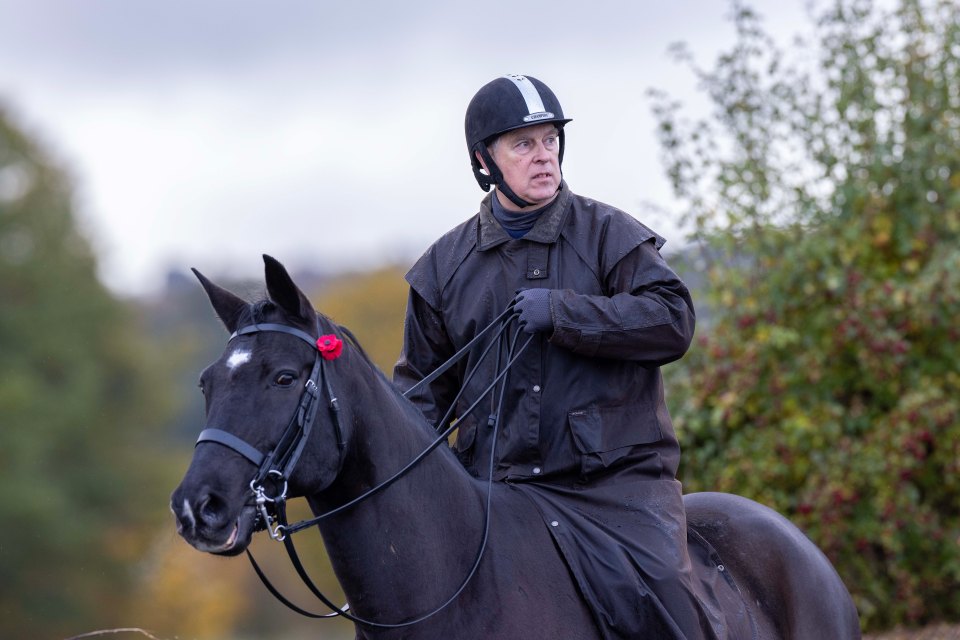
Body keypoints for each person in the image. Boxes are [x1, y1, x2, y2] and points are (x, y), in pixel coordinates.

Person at [394, 74, 717, 639]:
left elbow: (674, 321)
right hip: (495, 490)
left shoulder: (611, 234)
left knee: (669, 606)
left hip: (616, 485)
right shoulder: (441, 270)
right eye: (524, 144)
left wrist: (567, 315)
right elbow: (420, 395)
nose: (544, 157)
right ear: (484, 161)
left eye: (550, 141)